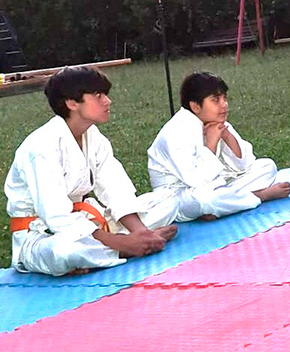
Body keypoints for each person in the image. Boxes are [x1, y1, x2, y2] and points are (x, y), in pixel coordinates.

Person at [4, 67, 178, 276]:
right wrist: (121, 243)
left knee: (168, 200)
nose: (108, 101)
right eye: (98, 95)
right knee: (65, 252)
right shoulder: (41, 147)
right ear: (72, 103)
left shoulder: (93, 137)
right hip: (41, 234)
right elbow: (56, 217)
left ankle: (124, 245)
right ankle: (121, 249)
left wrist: (142, 232)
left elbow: (115, 188)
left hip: (87, 222)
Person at [147, 72, 290, 222]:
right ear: (195, 106)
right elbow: (195, 180)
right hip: (180, 195)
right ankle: (259, 196)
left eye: (224, 98)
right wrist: (211, 142)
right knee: (206, 199)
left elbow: (243, 165)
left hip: (216, 183)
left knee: (267, 166)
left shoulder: (215, 121)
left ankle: (226, 204)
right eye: (215, 100)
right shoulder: (176, 131)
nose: (224, 104)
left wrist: (226, 135)